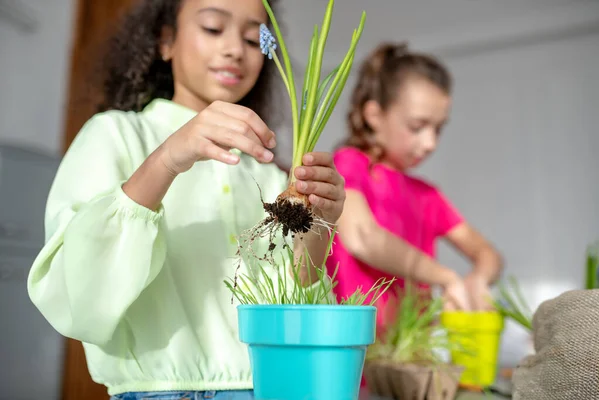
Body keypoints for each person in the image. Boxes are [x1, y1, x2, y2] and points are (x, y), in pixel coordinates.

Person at [26, 0, 346, 399]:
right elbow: (77, 297)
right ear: (165, 41)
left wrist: (318, 226)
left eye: (251, 38)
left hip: (270, 387)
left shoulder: (266, 174)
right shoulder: (116, 136)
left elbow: (294, 301)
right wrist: (167, 159)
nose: (235, 48)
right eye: (213, 28)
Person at [327, 42, 504, 331]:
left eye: (438, 128)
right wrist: (446, 277)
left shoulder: (428, 195)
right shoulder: (348, 166)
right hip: (357, 351)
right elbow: (362, 238)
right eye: (417, 126)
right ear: (374, 115)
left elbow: (487, 254)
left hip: (415, 355)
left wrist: (478, 279)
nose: (430, 143)